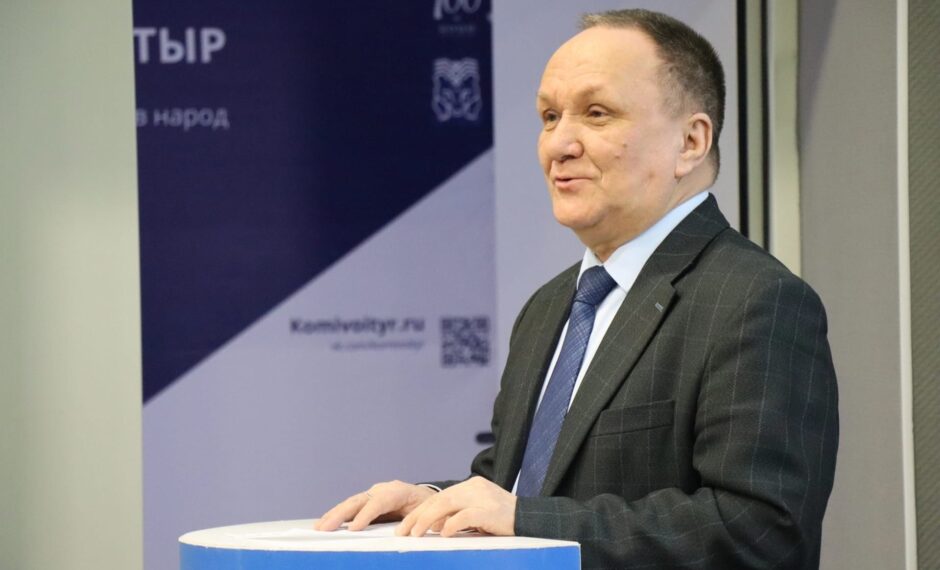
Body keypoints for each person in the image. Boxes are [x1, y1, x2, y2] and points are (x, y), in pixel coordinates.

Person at [315, 8, 838, 569]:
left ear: (690, 141)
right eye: (549, 116)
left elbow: (759, 531)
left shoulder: (757, 301)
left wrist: (526, 521)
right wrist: (436, 501)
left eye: (596, 113)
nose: (558, 144)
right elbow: (519, 486)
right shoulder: (548, 307)